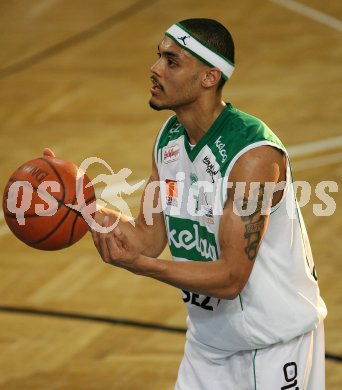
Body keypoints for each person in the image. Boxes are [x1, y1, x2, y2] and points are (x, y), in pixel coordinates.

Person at [47, 18, 327, 389]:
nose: (155, 68)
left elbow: (230, 278)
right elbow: (147, 237)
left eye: (171, 61)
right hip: (208, 345)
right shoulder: (169, 140)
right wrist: (76, 203)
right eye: (158, 57)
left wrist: (143, 266)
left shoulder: (253, 156)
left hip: (272, 347)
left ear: (209, 77)